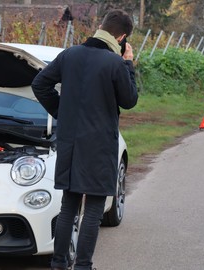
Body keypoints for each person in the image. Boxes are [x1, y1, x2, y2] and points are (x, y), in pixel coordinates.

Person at [31, 9, 138, 270]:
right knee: (93, 208)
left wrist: (61, 113)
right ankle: (83, 266)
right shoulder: (115, 63)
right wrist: (129, 64)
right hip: (99, 146)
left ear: (101, 27)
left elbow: (39, 84)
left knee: (69, 204)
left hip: (70, 141)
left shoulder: (70, 54)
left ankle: (58, 263)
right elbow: (129, 100)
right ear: (122, 37)